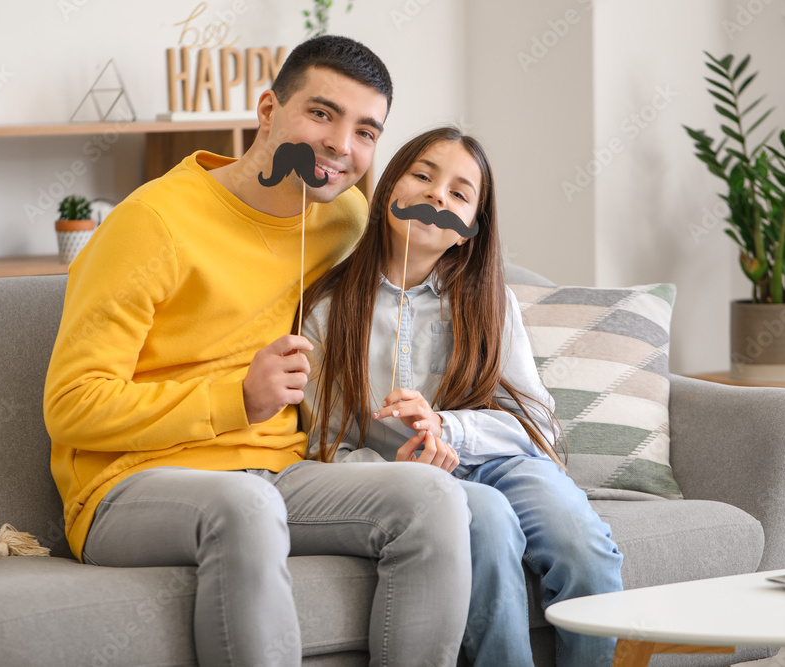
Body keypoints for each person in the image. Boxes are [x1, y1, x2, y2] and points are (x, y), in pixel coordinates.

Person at [44, 36, 473, 667]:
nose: (341, 145)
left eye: (365, 130)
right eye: (322, 114)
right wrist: (237, 398)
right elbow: (72, 406)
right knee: (246, 506)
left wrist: (432, 421)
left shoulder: (345, 219)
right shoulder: (150, 225)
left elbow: (413, 289)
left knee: (436, 500)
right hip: (129, 487)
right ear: (268, 110)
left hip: (282, 474)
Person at [300, 126, 625, 666]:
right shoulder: (328, 310)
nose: (436, 196)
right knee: (490, 526)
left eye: (458, 193)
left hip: (500, 460)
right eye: (423, 176)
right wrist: (408, 469)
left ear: (467, 230)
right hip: (408, 479)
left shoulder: (489, 301)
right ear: (387, 193)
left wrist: (449, 428)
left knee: (579, 543)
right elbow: (325, 444)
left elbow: (538, 422)